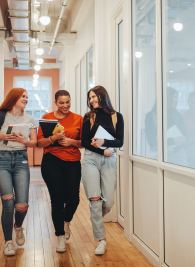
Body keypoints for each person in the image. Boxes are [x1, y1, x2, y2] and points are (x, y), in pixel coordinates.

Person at [0, 88, 38, 256]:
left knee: (21, 205)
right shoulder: (0, 115)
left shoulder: (29, 119)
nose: (26, 99)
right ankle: (8, 242)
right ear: (14, 97)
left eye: (27, 97)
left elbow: (34, 143)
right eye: (23, 96)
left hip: (21, 160)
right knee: (8, 203)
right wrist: (2, 136)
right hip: (1, 160)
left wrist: (25, 141)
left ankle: (18, 227)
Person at [37, 90, 84, 253]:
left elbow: (83, 142)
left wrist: (71, 141)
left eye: (68, 102)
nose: (65, 105)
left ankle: (66, 221)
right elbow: (40, 143)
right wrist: (53, 138)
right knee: (57, 200)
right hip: (52, 161)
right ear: (55, 102)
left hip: (73, 162)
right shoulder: (47, 118)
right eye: (62, 102)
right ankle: (60, 236)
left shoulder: (78, 118)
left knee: (74, 199)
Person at [81, 86, 124, 256]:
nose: (91, 100)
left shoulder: (116, 117)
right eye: (89, 98)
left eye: (94, 97)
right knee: (95, 199)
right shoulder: (88, 116)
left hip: (109, 159)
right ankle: (101, 240)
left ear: (102, 96)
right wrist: (101, 149)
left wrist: (104, 141)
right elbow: (84, 141)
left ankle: (95, 213)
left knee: (109, 201)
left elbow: (120, 141)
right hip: (91, 158)